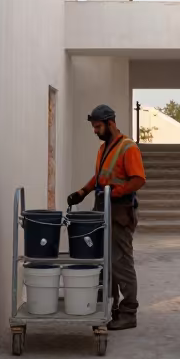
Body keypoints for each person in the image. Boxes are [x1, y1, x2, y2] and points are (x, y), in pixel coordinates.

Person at [67, 104, 146, 331]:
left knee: (120, 261)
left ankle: (129, 312)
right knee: (105, 261)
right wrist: (82, 192)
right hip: (102, 208)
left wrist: (114, 192)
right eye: (93, 126)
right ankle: (112, 308)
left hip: (120, 211)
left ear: (110, 123)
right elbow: (100, 177)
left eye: (98, 126)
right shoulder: (104, 149)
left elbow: (138, 179)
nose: (95, 131)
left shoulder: (128, 147)